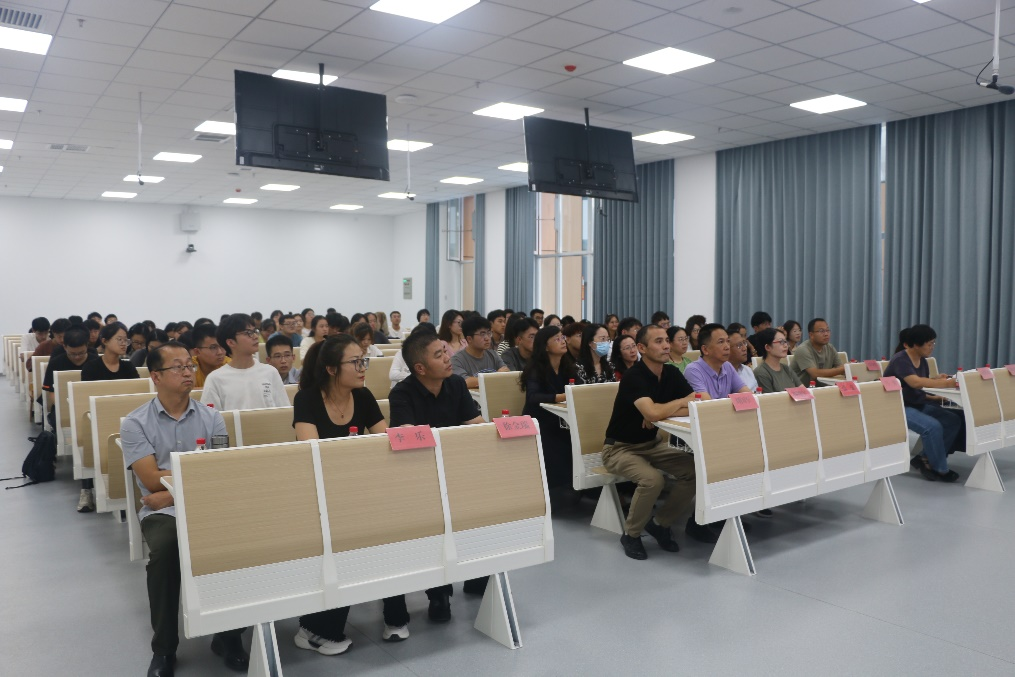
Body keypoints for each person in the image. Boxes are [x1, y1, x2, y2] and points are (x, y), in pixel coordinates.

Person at [122, 342, 249, 677]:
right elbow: (150, 480)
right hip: (162, 513)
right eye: (177, 367)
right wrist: (190, 478)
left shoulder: (211, 417)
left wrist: (171, 493)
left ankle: (229, 635)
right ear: (156, 377)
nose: (188, 372)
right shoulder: (135, 423)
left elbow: (218, 473)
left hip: (206, 504)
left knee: (237, 541)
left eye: (189, 366)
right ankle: (164, 649)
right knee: (166, 550)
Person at [291, 335, 408, 652]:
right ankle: (314, 631)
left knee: (390, 528)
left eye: (364, 360)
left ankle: (395, 617)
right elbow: (312, 453)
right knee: (347, 535)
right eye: (355, 362)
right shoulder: (307, 399)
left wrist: (404, 436)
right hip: (321, 491)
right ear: (331, 369)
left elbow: (385, 441)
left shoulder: (363, 396)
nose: (363, 367)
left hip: (360, 487)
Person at [388, 331, 486, 622]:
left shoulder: (455, 384)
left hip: (455, 469)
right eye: (439, 355)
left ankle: (477, 575)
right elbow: (408, 443)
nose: (448, 358)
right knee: (433, 528)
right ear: (420, 368)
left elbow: (475, 424)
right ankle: (439, 593)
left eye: (446, 351)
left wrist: (491, 431)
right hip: (419, 477)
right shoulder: (402, 394)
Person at [601, 325, 706, 559]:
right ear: (642, 348)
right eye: (659, 341)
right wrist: (664, 409)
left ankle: (660, 524)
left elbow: (699, 400)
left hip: (652, 444)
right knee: (653, 480)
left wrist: (660, 411)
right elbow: (653, 412)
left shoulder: (671, 373)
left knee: (695, 472)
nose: (666, 346)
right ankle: (631, 534)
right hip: (619, 448)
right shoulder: (634, 377)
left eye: (667, 340)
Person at [883, 325, 963, 482]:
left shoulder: (923, 361)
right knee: (932, 427)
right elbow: (915, 382)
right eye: (929, 343)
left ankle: (924, 458)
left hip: (916, 403)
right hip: (898, 406)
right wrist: (946, 384)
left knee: (952, 420)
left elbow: (921, 385)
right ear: (916, 344)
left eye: (933, 343)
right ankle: (940, 469)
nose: (932, 347)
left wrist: (936, 382)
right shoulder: (901, 359)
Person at [521, 326, 578, 489]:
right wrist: (562, 396)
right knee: (558, 446)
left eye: (562, 338)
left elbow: (578, 388)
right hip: (540, 422)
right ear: (545, 346)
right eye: (557, 339)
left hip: (561, 420)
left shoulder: (567, 366)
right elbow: (533, 397)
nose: (563, 342)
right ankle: (557, 490)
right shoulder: (535, 368)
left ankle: (576, 487)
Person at [201, 314, 289, 411]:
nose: (255, 336)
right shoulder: (215, 379)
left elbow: (284, 411)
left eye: (255, 331)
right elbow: (209, 417)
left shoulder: (270, 372)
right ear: (231, 342)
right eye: (248, 333)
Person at [683, 323, 751, 398]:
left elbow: (748, 395)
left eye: (728, 341)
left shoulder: (727, 366)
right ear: (705, 349)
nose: (727, 347)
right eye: (721, 342)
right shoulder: (693, 371)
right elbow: (706, 403)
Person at [450, 316, 509, 388]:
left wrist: (498, 375)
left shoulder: (493, 354)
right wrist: (496, 376)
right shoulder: (457, 360)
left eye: (489, 333)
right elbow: (465, 381)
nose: (487, 338)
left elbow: (505, 371)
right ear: (469, 339)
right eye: (482, 334)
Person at [792, 318, 845, 385]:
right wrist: (843, 368)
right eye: (821, 331)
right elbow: (815, 374)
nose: (826, 334)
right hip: (802, 389)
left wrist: (850, 367)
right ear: (811, 335)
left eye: (827, 330)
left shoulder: (830, 347)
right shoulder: (802, 349)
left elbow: (841, 368)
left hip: (822, 387)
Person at [753, 328, 802, 393]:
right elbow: (771, 398)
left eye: (785, 342)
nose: (786, 345)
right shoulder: (761, 373)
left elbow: (803, 391)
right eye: (781, 342)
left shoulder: (786, 368)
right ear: (768, 347)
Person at [189, 323, 228, 388]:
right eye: (213, 347)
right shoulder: (188, 369)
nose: (220, 352)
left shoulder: (230, 365)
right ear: (197, 352)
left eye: (222, 345)